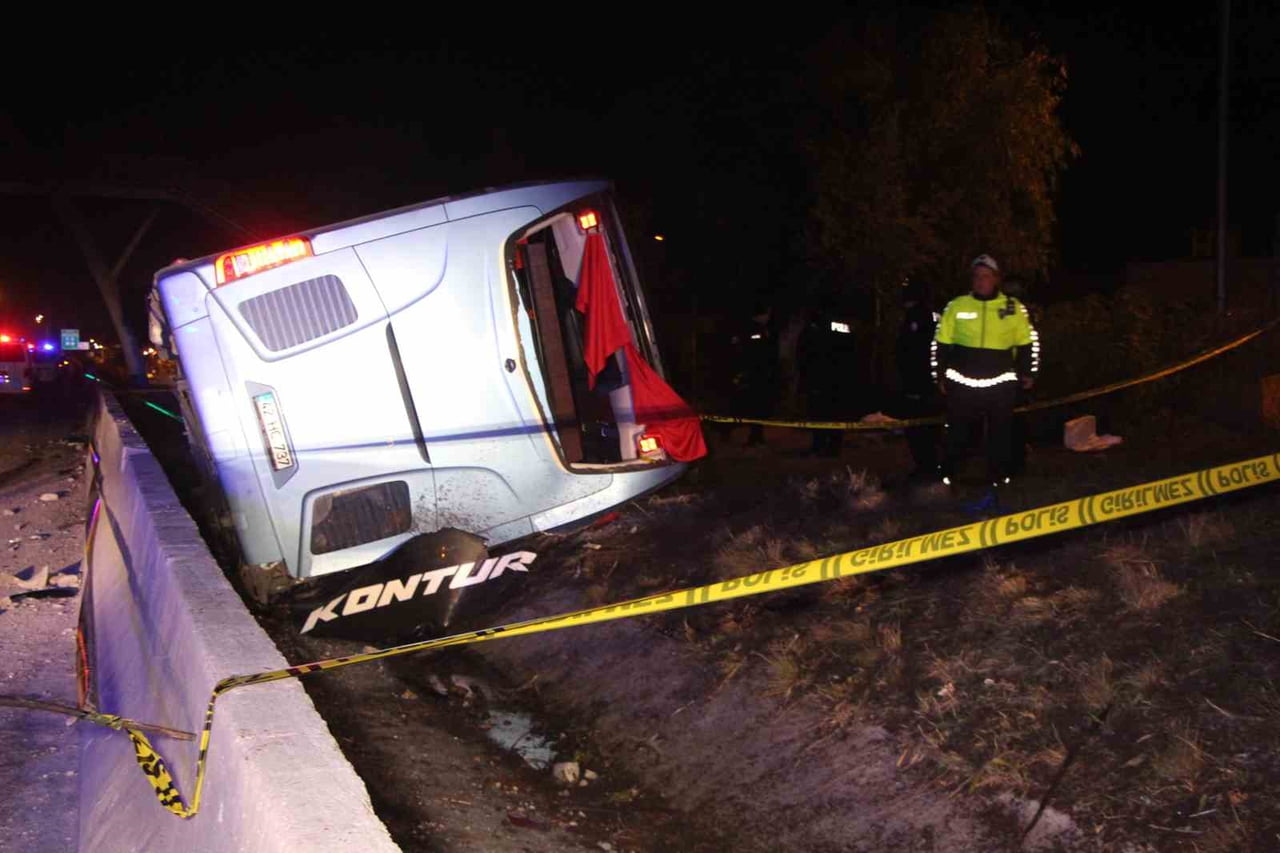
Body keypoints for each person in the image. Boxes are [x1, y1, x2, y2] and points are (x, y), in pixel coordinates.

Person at [933, 255, 1040, 502]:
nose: (981, 280)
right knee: (956, 433)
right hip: (961, 382)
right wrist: (938, 375)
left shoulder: (1012, 307)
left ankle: (998, 480)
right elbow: (940, 344)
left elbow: (1027, 342)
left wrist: (1029, 372)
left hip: (1001, 382)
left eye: (986, 275)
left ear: (996, 279)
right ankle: (948, 478)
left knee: (1001, 434)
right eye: (977, 275)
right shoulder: (956, 306)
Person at [895, 278, 941, 479]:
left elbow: (911, 352)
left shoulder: (917, 317)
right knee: (927, 428)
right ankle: (929, 467)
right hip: (928, 384)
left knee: (919, 429)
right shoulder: (933, 316)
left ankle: (928, 468)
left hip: (919, 384)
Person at [727, 307, 777, 447]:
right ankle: (730, 432)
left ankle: (757, 435)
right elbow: (750, 353)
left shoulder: (763, 329)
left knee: (758, 408)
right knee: (749, 407)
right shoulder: (752, 329)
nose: (768, 317)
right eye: (767, 314)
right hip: (751, 375)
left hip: (758, 375)